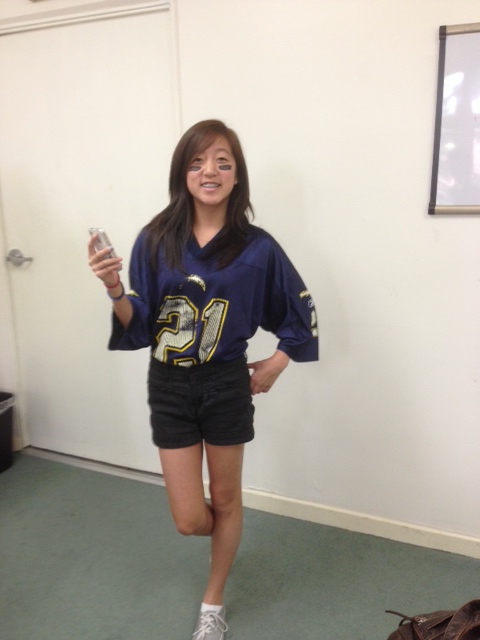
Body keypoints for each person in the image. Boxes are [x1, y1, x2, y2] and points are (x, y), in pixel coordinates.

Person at [88, 119, 318, 640]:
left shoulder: (258, 248)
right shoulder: (155, 238)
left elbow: (299, 311)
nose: (209, 171)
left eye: (222, 162)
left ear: (237, 176)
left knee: (228, 498)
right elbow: (141, 325)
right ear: (182, 174)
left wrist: (277, 362)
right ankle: (227, 534)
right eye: (197, 162)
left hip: (226, 383)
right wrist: (114, 289)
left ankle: (213, 603)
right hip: (169, 385)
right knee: (191, 519)